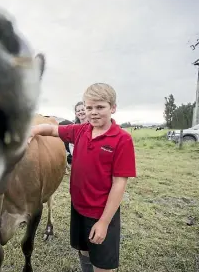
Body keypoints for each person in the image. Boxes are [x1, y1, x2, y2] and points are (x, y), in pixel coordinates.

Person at [28, 83, 136, 272]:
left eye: (100, 107)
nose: (93, 112)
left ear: (113, 108)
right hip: (78, 207)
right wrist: (33, 130)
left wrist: (103, 222)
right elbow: (52, 130)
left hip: (101, 212)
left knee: (102, 263)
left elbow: (119, 184)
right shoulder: (80, 130)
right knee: (84, 251)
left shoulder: (122, 139)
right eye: (89, 107)